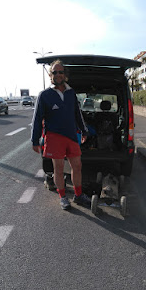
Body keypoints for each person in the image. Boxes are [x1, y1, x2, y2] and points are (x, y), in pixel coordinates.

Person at [31, 59, 91, 210]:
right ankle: (63, 197)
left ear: (65, 75)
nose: (57, 75)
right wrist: (35, 140)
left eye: (60, 72)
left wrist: (84, 130)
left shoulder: (71, 93)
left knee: (77, 166)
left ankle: (78, 195)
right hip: (54, 136)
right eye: (54, 72)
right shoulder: (44, 95)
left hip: (71, 136)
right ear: (50, 75)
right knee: (58, 168)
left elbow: (78, 114)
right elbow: (37, 119)